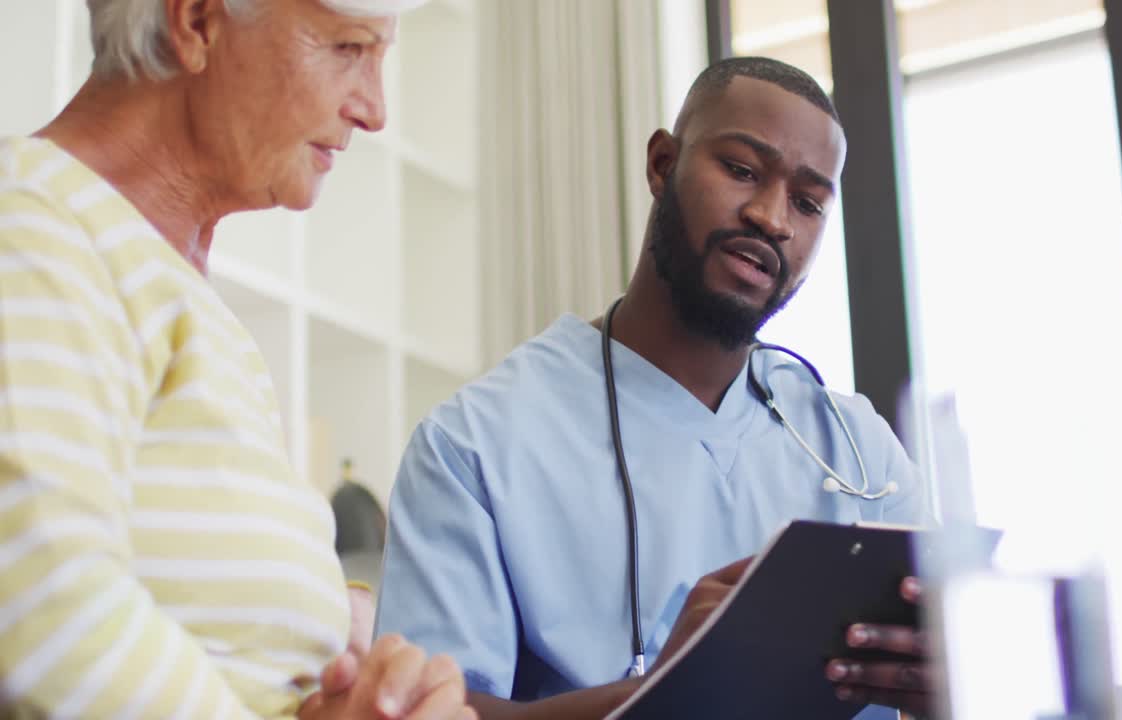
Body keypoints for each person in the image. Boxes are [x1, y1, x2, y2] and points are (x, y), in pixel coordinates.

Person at [375, 57, 928, 719]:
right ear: (663, 165)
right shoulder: (475, 445)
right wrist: (668, 695)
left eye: (808, 203)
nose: (770, 217)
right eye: (742, 171)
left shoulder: (859, 452)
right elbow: (422, 712)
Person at [0, 0, 474, 718]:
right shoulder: (36, 223)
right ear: (195, 22)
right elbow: (39, 604)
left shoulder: (186, 302)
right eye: (349, 48)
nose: (375, 110)